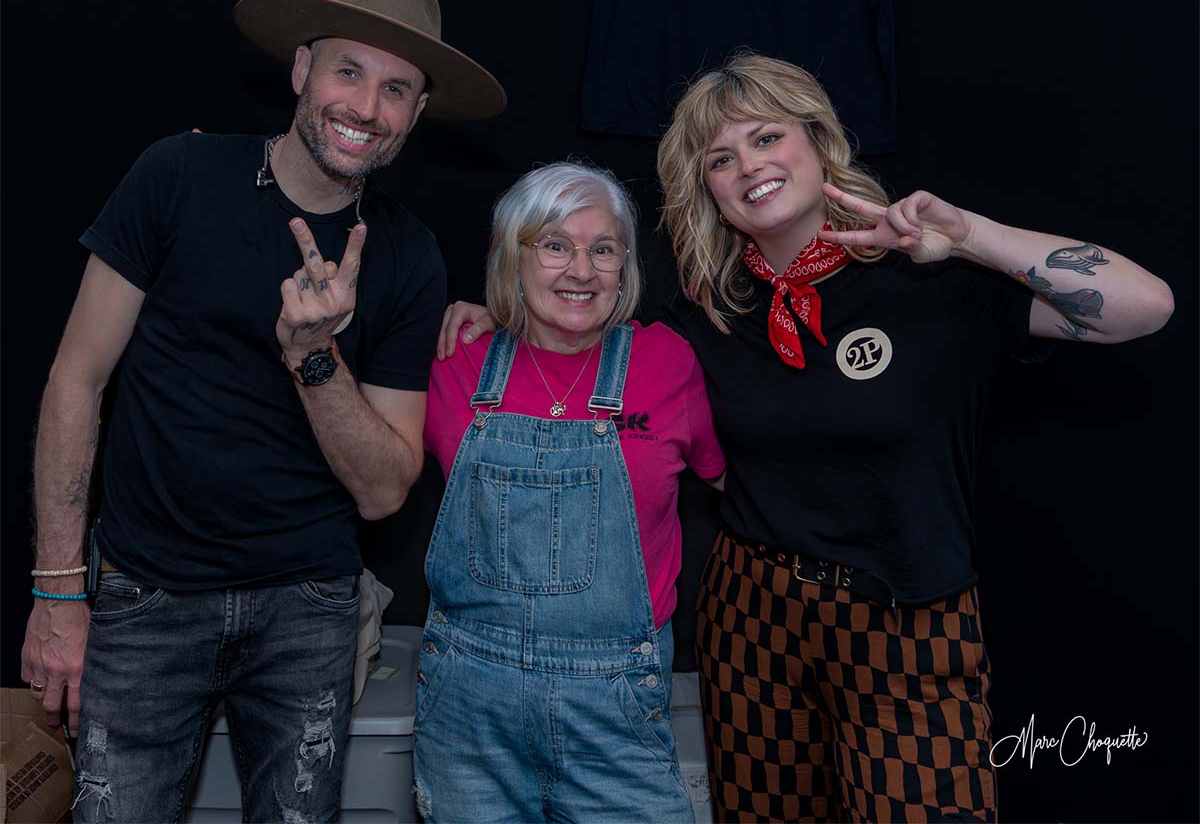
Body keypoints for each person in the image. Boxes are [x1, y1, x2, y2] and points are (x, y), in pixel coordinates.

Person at [440, 52, 1173, 822]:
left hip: (906, 620)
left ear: (819, 141)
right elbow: (586, 314)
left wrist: (971, 237)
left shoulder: (930, 277)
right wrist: (506, 315)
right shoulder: (709, 312)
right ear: (709, 191)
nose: (748, 166)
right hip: (752, 623)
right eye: (721, 159)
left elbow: (1144, 307)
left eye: (766, 138)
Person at [19, 0, 505, 823]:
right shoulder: (177, 175)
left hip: (307, 612)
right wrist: (57, 593)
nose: (367, 106)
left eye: (396, 89)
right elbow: (74, 382)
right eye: (348, 71)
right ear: (302, 69)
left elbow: (384, 489)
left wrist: (314, 357)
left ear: (417, 113)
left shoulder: (407, 255)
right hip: (145, 597)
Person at [414, 162, 726, 823]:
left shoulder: (668, 362)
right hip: (470, 709)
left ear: (625, 268)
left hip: (616, 705)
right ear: (512, 257)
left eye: (603, 250)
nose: (582, 271)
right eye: (555, 245)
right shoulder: (456, 359)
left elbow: (739, 482)